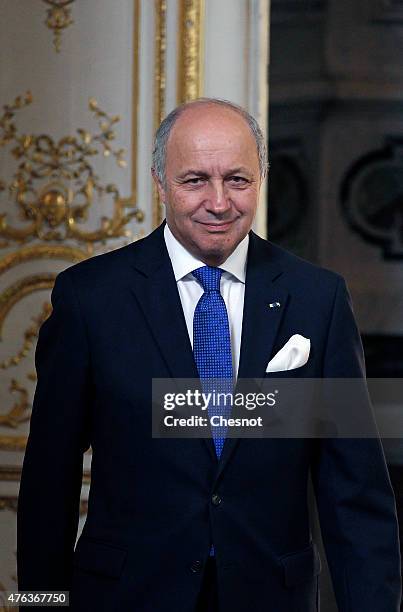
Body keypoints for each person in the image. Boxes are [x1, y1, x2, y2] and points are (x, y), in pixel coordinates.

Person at [17, 98, 401, 611]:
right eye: (194, 180)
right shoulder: (91, 299)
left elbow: (355, 495)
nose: (218, 203)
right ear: (160, 183)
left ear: (261, 178)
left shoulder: (318, 299)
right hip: (126, 597)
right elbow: (49, 483)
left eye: (237, 180)